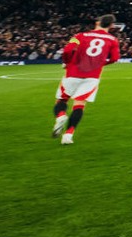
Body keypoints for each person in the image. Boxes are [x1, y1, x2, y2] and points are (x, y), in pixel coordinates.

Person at [51, 13, 121, 145]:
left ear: (97, 23)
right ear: (111, 26)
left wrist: (67, 62)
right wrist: (100, 64)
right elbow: (114, 59)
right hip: (92, 76)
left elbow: (67, 51)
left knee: (61, 100)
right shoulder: (113, 40)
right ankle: (68, 135)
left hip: (73, 72)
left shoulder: (80, 36)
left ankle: (60, 116)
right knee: (79, 104)